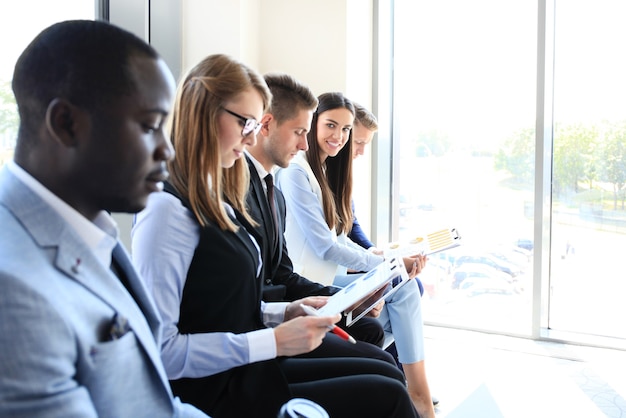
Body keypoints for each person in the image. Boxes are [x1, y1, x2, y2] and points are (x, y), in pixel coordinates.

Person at [131, 54, 419, 418]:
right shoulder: (166, 209)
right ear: (205, 113)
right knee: (387, 395)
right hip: (217, 388)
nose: (253, 136)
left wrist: (285, 312)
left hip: (249, 368)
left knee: (386, 377)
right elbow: (160, 350)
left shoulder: (218, 193)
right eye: (246, 123)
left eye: (256, 124)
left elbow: (224, 310)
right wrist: (273, 338)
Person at [0, 20, 208, 418]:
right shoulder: (11, 290)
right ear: (66, 124)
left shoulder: (91, 231)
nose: (167, 150)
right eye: (150, 126)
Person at [275, 92, 436, 418]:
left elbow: (339, 238)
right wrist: (387, 266)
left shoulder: (319, 171)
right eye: (331, 125)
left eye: (346, 130)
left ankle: (406, 387)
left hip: (322, 277)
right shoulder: (295, 173)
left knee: (399, 297)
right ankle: (416, 392)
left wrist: (386, 266)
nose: (340, 137)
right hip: (308, 283)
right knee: (401, 292)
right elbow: (326, 247)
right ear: (313, 123)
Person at [238, 72, 394, 362]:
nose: (305, 144)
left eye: (346, 130)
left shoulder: (274, 190)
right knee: (381, 362)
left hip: (286, 304)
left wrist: (346, 296)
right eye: (300, 132)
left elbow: (282, 273)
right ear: (267, 125)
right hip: (265, 330)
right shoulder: (288, 176)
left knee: (374, 334)